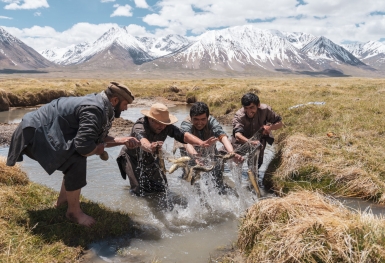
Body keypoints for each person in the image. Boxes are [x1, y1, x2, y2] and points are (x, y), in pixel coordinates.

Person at [6, 82, 141, 227]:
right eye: (125, 104)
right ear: (115, 100)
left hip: (39, 130)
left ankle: (63, 202)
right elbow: (84, 146)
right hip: (33, 134)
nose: (126, 109)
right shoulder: (94, 110)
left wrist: (123, 140)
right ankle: (73, 213)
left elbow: (96, 138)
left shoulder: (100, 105)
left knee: (74, 155)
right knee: (76, 158)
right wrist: (97, 149)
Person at [116, 103, 217, 196]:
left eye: (164, 123)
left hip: (153, 158)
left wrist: (201, 143)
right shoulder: (139, 126)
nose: (162, 126)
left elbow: (183, 135)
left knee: (162, 189)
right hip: (132, 158)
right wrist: (150, 147)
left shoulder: (165, 126)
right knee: (139, 190)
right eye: (159, 123)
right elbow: (142, 141)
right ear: (150, 119)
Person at [179, 101, 243, 189]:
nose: (199, 123)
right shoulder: (186, 123)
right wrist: (196, 157)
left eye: (203, 119)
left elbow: (222, 136)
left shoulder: (212, 121)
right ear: (191, 117)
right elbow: (186, 140)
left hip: (208, 149)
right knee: (190, 176)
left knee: (217, 174)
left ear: (207, 117)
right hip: (188, 151)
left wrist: (232, 153)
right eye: (196, 119)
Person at [232, 92, 283, 188]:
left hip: (259, 140)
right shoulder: (239, 115)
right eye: (246, 108)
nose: (248, 111)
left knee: (256, 165)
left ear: (258, 105)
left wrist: (269, 127)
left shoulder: (265, 110)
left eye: (252, 107)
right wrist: (250, 142)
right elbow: (238, 135)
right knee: (235, 161)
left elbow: (280, 124)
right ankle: (237, 186)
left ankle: (252, 185)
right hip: (241, 142)